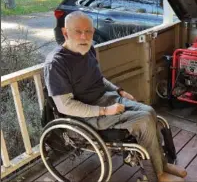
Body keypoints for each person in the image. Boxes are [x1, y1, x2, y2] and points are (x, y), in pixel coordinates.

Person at [44, 11, 187, 182]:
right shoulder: (56, 63)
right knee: (143, 120)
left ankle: (162, 164)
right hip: (85, 116)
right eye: (78, 31)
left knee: (150, 111)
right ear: (65, 32)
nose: (84, 36)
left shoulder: (88, 49)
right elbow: (65, 105)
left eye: (89, 31)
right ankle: (156, 175)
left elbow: (99, 80)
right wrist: (104, 110)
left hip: (107, 99)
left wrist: (119, 91)